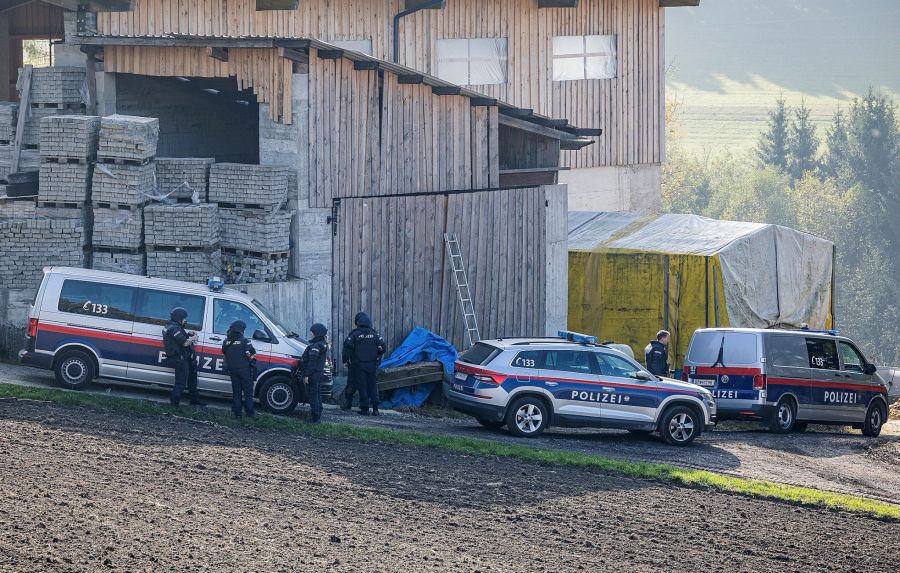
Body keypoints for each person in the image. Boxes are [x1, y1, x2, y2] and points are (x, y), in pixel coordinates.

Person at [342, 312, 386, 416]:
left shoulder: (354, 334)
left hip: (358, 365)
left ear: (357, 323)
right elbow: (383, 348)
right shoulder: (375, 334)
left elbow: (346, 349)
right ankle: (375, 409)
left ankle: (364, 409)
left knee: (362, 386)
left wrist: (345, 361)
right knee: (372, 386)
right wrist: (376, 356)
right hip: (372, 365)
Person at [163, 307, 205, 407]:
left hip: (185, 357)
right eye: (184, 318)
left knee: (192, 379)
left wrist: (188, 333)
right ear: (179, 318)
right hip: (180, 359)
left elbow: (179, 336)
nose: (186, 320)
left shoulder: (174, 326)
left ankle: (194, 401)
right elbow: (185, 343)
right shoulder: (173, 328)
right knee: (180, 383)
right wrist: (192, 338)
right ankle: (174, 404)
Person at [222, 320, 256, 418]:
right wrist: (251, 356)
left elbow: (224, 352)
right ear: (241, 330)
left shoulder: (226, 341)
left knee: (236, 393)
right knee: (248, 393)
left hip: (232, 370)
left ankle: (237, 414)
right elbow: (251, 355)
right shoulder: (245, 341)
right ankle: (250, 414)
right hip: (244, 370)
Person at [299, 323, 329, 423]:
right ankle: (318, 414)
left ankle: (314, 419)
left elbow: (312, 362)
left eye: (312, 333)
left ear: (316, 333)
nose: (311, 334)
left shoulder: (316, 346)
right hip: (318, 373)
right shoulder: (323, 344)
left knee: (313, 396)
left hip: (313, 374)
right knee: (317, 394)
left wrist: (307, 375)